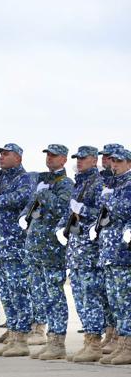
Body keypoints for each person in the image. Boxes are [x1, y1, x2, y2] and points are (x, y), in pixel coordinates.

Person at [20, 145, 74, 360]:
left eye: (54, 155)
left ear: (63, 159)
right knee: (41, 296)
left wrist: (44, 193)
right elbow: (31, 206)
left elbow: (62, 208)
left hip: (52, 250)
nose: (49, 158)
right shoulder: (43, 181)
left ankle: (58, 342)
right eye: (48, 155)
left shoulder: (65, 183)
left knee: (55, 297)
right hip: (35, 249)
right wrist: (24, 215)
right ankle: (49, 338)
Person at [0, 143, 34, 357]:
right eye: (0, 154)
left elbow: (22, 198)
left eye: (6, 154)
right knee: (6, 295)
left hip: (14, 247)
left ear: (18, 158)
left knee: (19, 293)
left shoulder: (24, 178)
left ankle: (22, 339)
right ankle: (13, 335)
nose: (1, 157)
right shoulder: (0, 179)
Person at [63, 146, 108, 362]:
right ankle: (88, 341)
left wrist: (82, 210)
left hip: (90, 252)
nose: (79, 161)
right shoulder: (80, 183)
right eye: (77, 158)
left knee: (91, 299)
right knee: (80, 299)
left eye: (84, 158)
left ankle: (95, 344)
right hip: (76, 252)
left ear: (94, 160)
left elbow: (103, 214)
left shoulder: (98, 183)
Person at [96, 147, 131, 365]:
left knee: (126, 301)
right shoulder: (113, 184)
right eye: (113, 161)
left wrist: (108, 199)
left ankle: (128, 346)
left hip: (123, 253)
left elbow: (125, 211)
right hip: (109, 252)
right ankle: (121, 343)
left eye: (119, 161)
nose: (114, 164)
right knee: (116, 302)